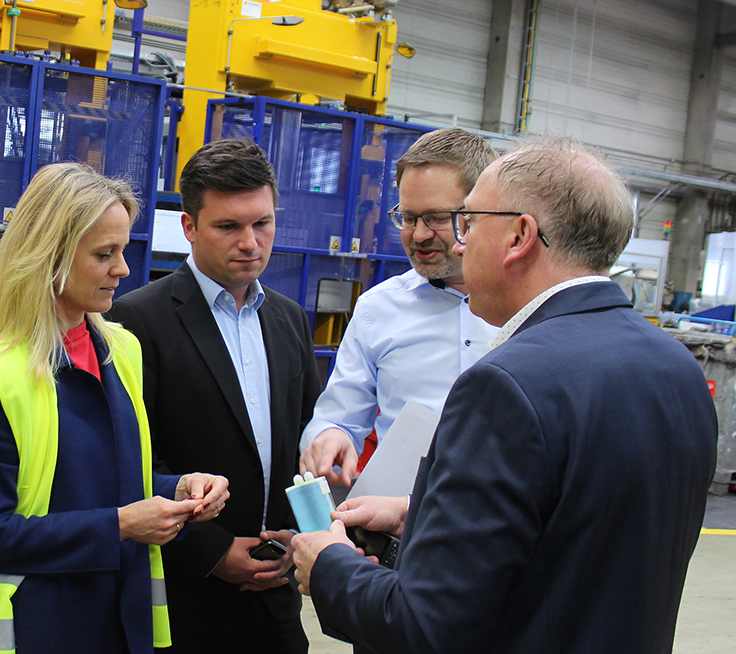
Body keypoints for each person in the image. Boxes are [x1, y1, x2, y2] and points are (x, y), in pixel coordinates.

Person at [292, 136, 718, 654]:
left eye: (467, 222)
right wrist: (420, 513)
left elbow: (426, 626)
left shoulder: (505, 383)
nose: (458, 243)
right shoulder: (674, 366)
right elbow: (573, 535)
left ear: (519, 235)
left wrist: (330, 564)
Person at [0, 162, 230, 654]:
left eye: (123, 250)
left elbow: (110, 479)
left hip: (121, 620)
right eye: (104, 254)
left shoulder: (121, 350)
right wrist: (123, 525)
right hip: (42, 626)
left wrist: (180, 488)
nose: (123, 269)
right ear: (50, 258)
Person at [108, 139, 322, 653]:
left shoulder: (289, 319)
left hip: (276, 584)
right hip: (183, 594)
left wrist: (304, 536)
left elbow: (305, 440)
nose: (250, 242)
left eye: (262, 223)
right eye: (228, 226)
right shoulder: (136, 321)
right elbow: (126, 461)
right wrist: (211, 550)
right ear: (189, 227)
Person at [300, 127, 498, 485]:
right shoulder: (378, 308)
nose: (419, 235)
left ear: (481, 212)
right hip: (395, 530)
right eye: (408, 217)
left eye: (437, 218)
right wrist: (331, 436)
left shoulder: (530, 311)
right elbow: (339, 416)